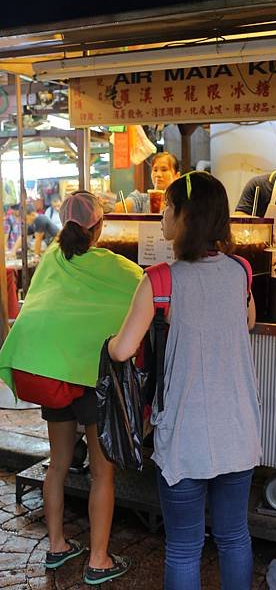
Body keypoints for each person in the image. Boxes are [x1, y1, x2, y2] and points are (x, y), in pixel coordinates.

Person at [109, 171, 262, 590]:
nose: (161, 218)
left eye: (167, 209)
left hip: (184, 430)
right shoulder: (241, 270)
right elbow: (247, 323)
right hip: (237, 425)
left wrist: (106, 345)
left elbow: (123, 350)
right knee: (233, 537)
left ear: (185, 216)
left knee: (183, 547)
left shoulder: (160, 279)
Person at [0, 191, 143, 585]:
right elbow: (147, 297)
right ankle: (98, 559)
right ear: (100, 226)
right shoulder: (119, 267)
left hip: (51, 372)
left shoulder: (50, 259)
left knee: (58, 464)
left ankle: (57, 546)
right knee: (102, 474)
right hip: (92, 378)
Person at [115, 152, 180, 213]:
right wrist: (108, 207)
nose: (158, 174)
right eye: (155, 170)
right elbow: (118, 208)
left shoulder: (182, 204)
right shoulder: (141, 200)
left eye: (164, 170)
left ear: (177, 176)